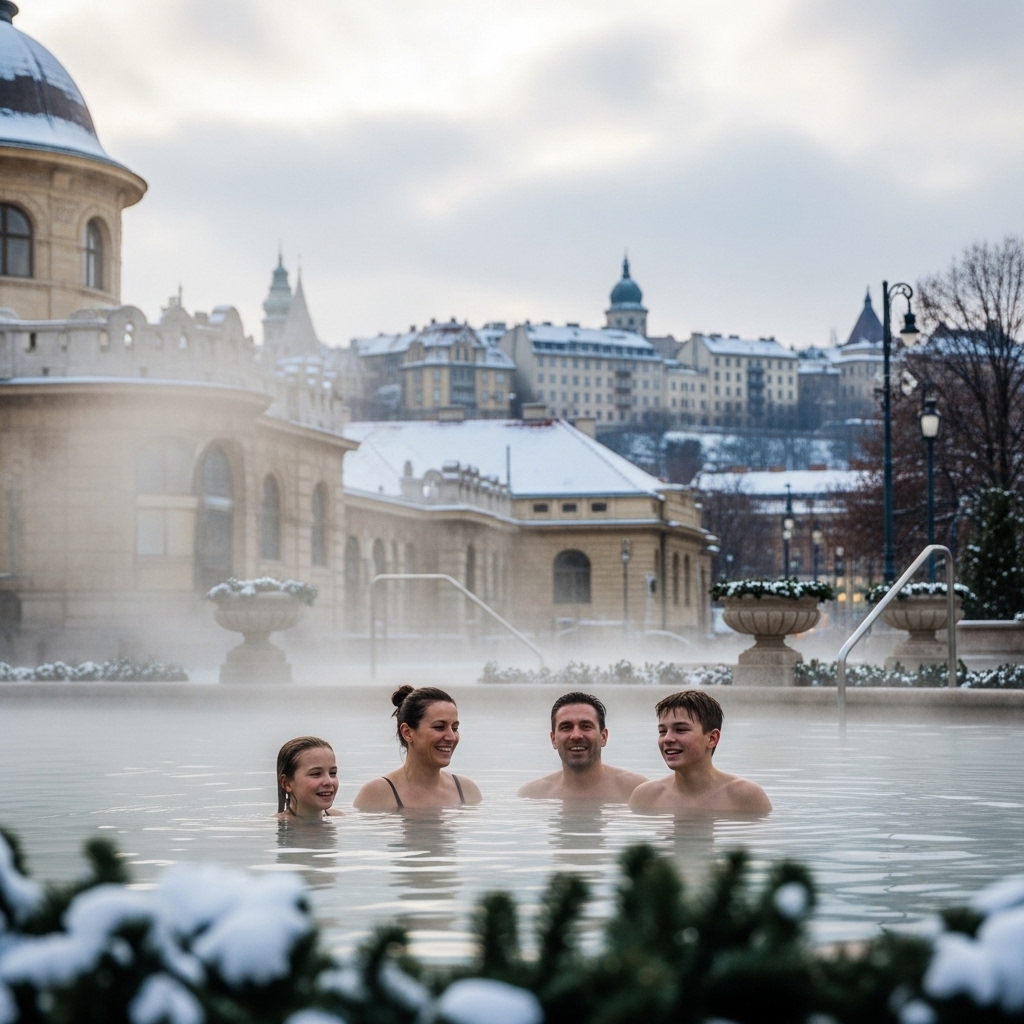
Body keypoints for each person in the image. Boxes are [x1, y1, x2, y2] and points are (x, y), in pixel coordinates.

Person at [628, 690, 772, 814]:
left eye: (681, 730)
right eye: (662, 731)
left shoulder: (745, 796)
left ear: (712, 738)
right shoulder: (645, 796)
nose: (667, 738)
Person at [353, 685, 482, 811]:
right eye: (439, 727)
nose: (452, 737)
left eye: (455, 728)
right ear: (407, 733)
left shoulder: (467, 791)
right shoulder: (377, 794)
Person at [518, 691, 648, 802]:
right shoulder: (533, 795)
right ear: (553, 739)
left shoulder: (637, 791)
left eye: (586, 726)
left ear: (603, 737)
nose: (576, 735)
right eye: (566, 727)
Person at [275, 735, 343, 819]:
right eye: (316, 774)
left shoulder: (341, 818)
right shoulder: (270, 826)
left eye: (333, 773)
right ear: (287, 783)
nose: (329, 782)